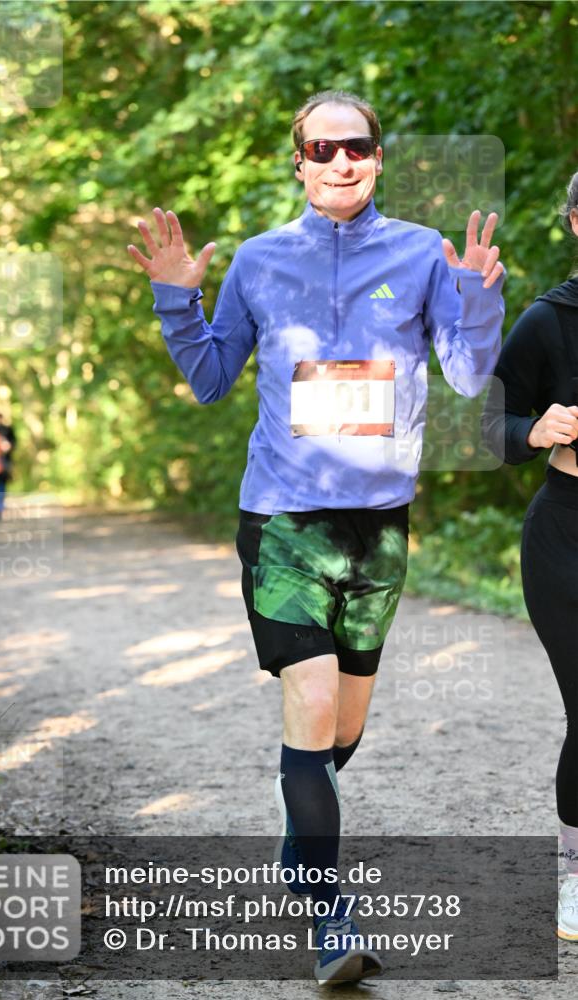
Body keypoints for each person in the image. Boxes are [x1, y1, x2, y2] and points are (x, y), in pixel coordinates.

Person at [128, 90, 505, 985]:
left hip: (377, 528)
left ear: (377, 158)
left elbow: (463, 373)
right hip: (282, 520)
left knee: (338, 732)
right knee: (308, 702)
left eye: (358, 147)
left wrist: (476, 298)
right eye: (322, 148)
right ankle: (330, 916)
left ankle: (301, 826)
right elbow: (215, 378)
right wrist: (177, 302)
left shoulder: (420, 253)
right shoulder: (260, 261)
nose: (341, 161)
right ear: (297, 162)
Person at [482, 171, 578, 942]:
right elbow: (484, 422)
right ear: (575, 224)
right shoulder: (550, 321)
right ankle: (576, 875)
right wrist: (531, 432)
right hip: (567, 539)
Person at [0, 412, 16, 482]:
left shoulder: (7, 428)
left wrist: (9, 446)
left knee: (5, 470)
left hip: (6, 454)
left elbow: (13, 440)